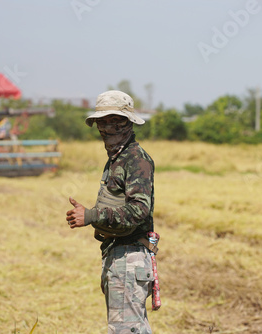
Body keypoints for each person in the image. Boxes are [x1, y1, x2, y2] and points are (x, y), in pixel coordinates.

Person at [66, 90, 156, 334]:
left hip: (129, 256)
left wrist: (92, 216)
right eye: (102, 123)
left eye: (114, 122)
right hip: (118, 255)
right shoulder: (117, 159)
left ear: (127, 123)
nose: (107, 129)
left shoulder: (135, 159)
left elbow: (139, 210)